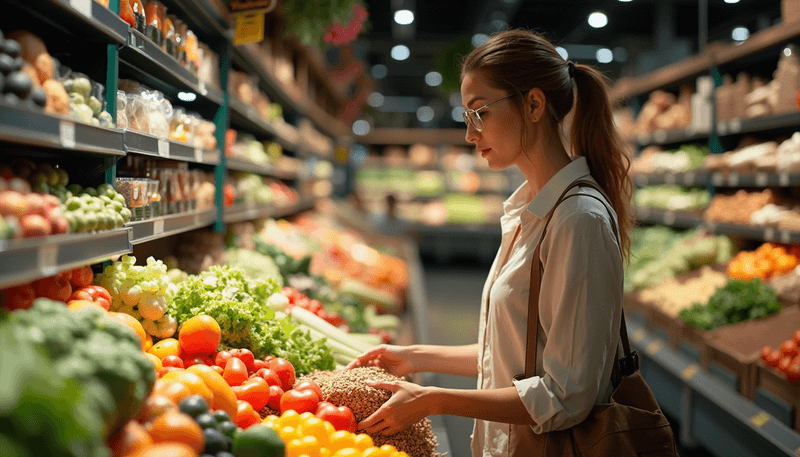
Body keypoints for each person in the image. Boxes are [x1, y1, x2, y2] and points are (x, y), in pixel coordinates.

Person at [347, 28, 635, 455]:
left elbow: (567, 395)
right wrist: (416, 356)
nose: (469, 134)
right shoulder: (529, 210)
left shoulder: (578, 221)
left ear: (533, 104)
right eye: (467, 116)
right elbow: (513, 352)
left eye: (480, 112)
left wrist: (436, 399)